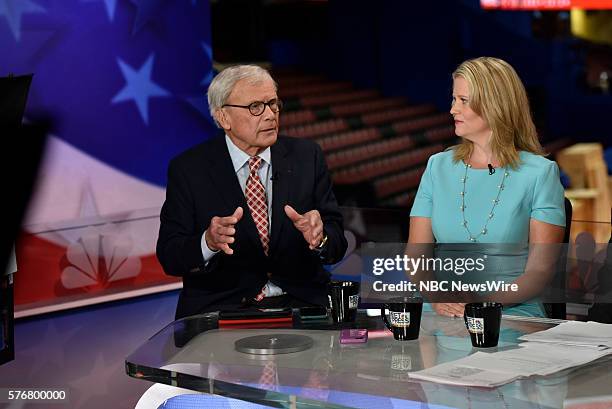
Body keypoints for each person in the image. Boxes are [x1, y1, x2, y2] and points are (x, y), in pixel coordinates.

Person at [157, 65, 347, 319]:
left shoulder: (306, 157)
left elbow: (337, 242)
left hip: (302, 304)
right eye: (255, 107)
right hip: (223, 309)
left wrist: (321, 237)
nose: (270, 115)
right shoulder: (189, 169)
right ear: (223, 118)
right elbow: (170, 255)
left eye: (273, 104)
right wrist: (208, 242)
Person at [408, 57, 566, 318]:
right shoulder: (437, 167)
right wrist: (438, 295)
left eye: (463, 101)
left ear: (494, 105)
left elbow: (539, 272)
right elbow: (416, 256)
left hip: (510, 312)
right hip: (441, 308)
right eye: (453, 99)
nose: (452, 110)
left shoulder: (540, 173)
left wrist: (481, 303)